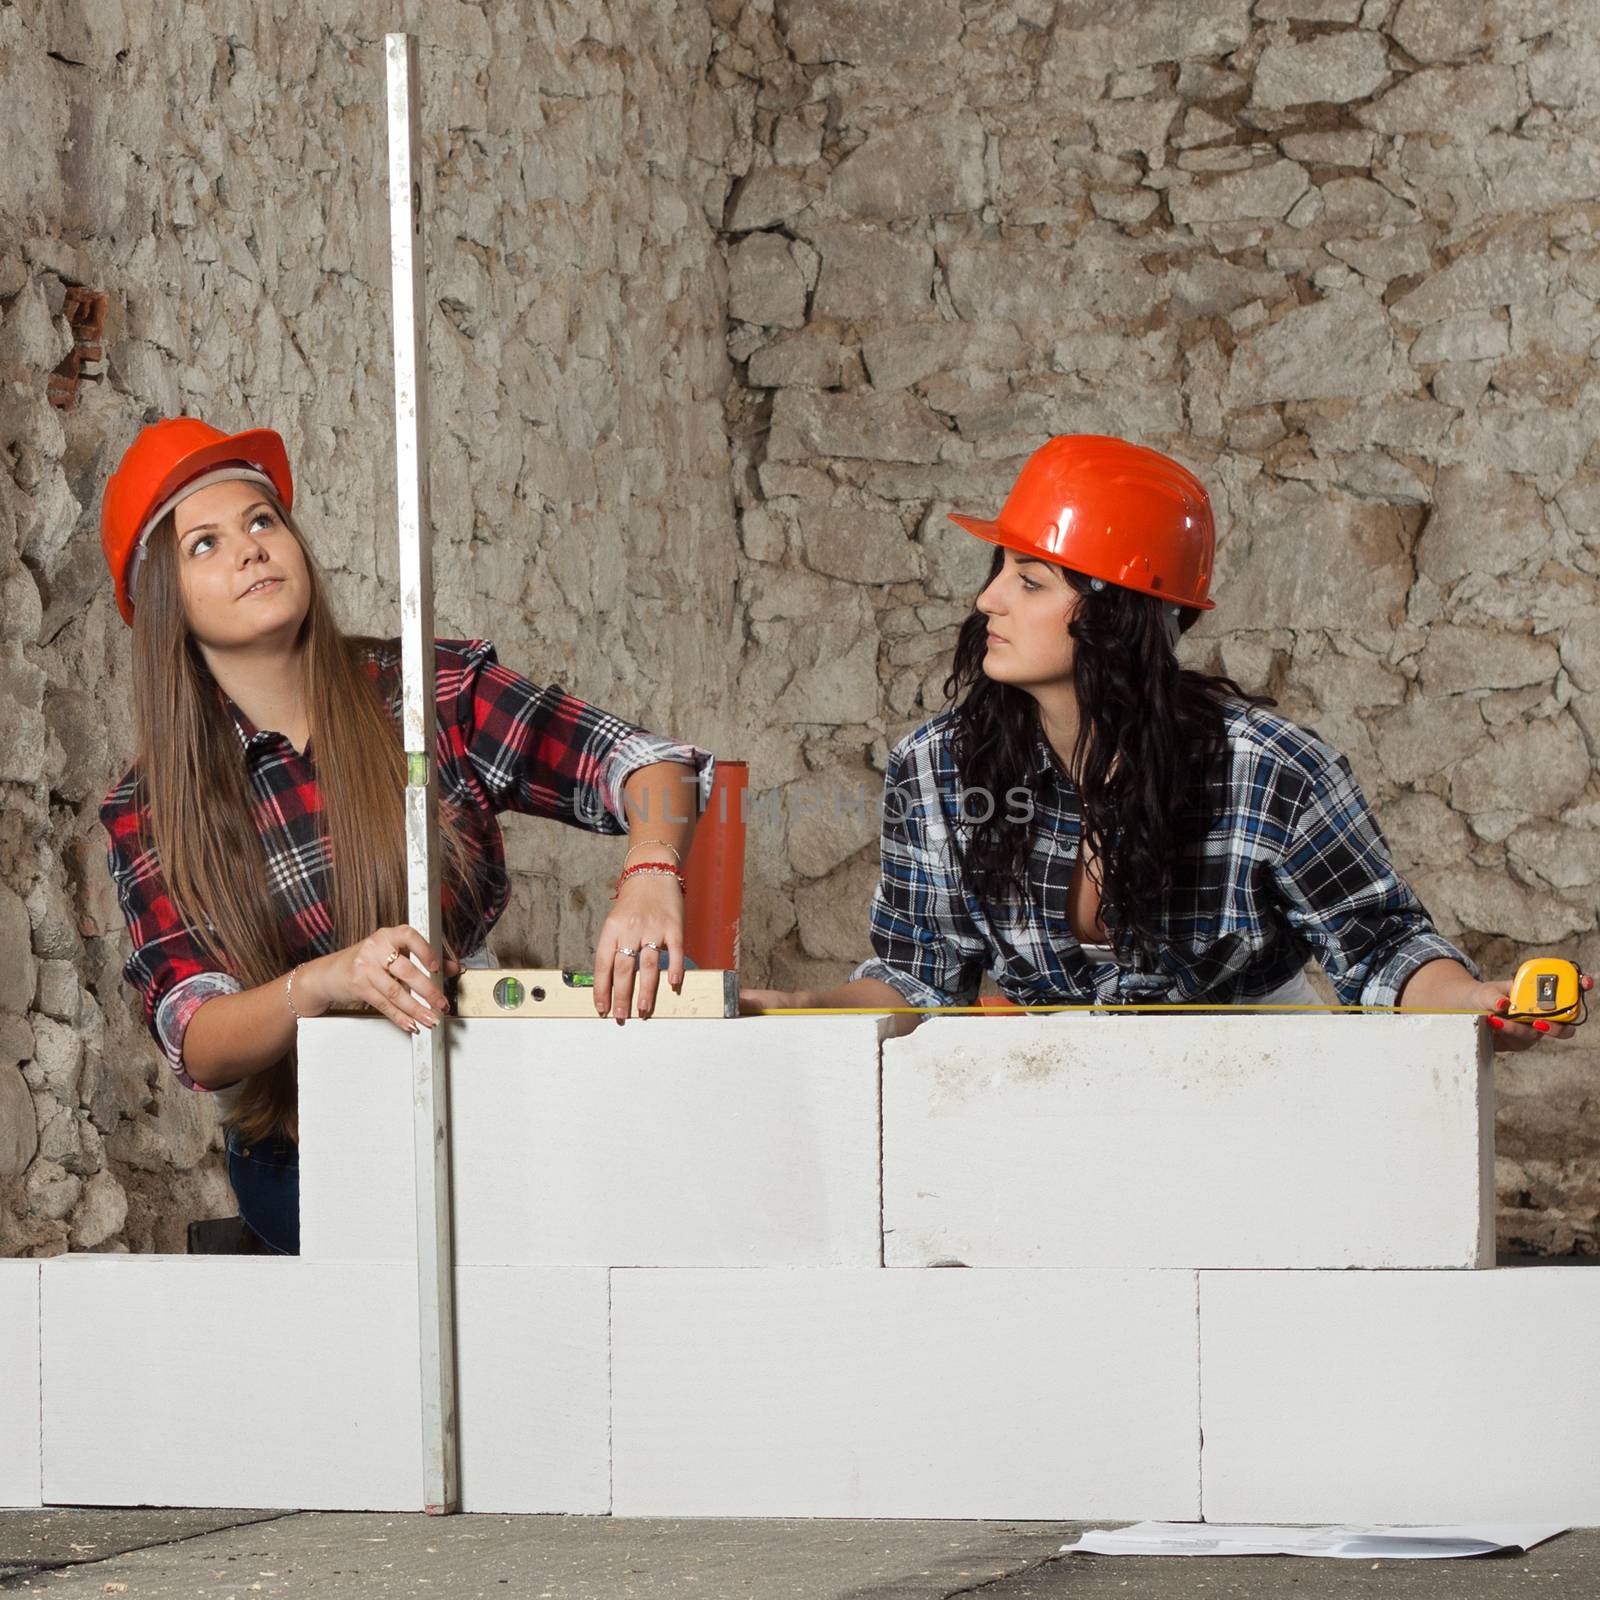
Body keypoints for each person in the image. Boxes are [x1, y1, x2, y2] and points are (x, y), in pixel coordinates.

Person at [744, 434, 1588, 1048]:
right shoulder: (934, 768)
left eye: (1029, 581)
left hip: (1267, 1088)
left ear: (1115, 617)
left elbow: (1383, 950)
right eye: (998, 571)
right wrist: (788, 1006)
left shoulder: (1270, 770)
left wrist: (1480, 1000)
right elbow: (920, 980)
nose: (987, 602)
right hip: (1058, 1100)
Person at [99, 418, 711, 1254]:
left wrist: (649, 869)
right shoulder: (149, 808)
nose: (249, 549)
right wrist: (324, 981)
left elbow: (647, 764)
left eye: (261, 522)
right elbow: (196, 1037)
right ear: (169, 603)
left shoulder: (427, 693)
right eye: (204, 543)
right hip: (307, 1163)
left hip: (487, 1112)